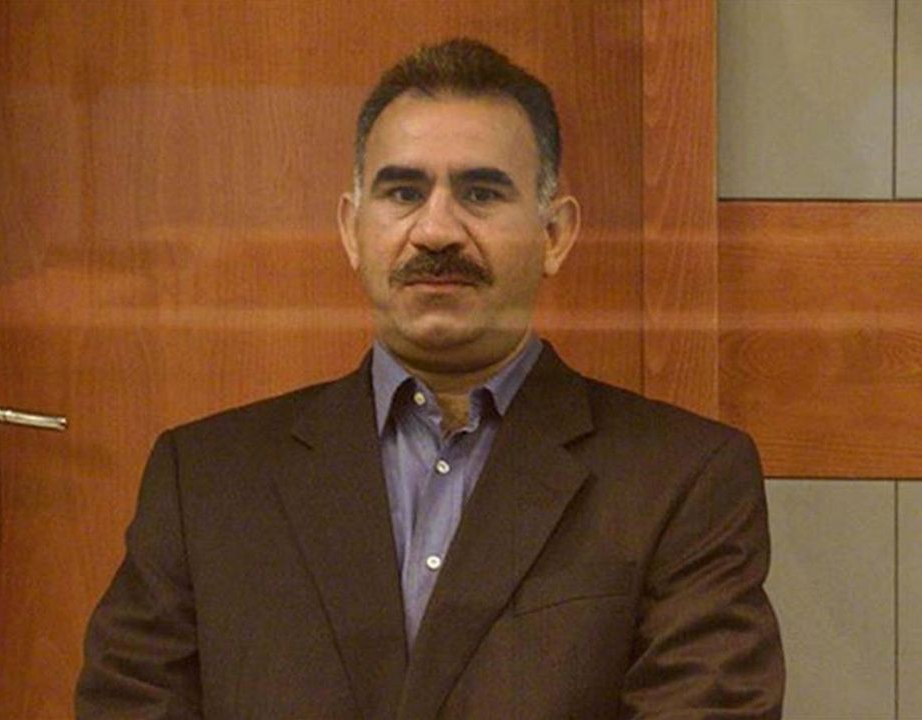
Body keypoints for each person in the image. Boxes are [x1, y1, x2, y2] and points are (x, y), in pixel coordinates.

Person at [77, 38, 784, 719]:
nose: (437, 230)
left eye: (481, 193)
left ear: (554, 235)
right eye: (403, 192)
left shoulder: (681, 480)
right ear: (352, 230)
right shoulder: (205, 481)